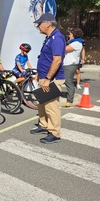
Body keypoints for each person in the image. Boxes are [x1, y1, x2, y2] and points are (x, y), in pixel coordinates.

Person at [30, 13, 65, 144]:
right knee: (42, 104)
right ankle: (44, 125)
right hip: (44, 77)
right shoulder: (49, 38)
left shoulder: (57, 38)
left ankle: (54, 133)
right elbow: (45, 58)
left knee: (51, 106)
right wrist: (40, 74)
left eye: (39, 24)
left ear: (48, 24)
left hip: (51, 79)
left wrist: (48, 78)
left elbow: (57, 61)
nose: (38, 26)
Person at [63, 28, 83, 107]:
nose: (69, 36)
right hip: (67, 64)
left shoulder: (76, 43)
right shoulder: (73, 42)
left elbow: (64, 49)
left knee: (68, 82)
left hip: (70, 64)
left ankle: (69, 101)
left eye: (70, 34)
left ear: (74, 35)